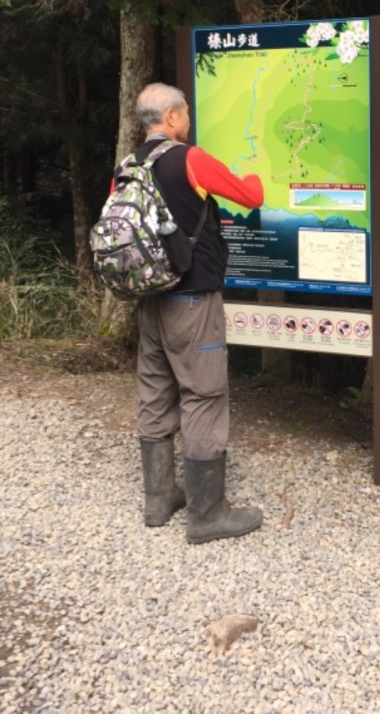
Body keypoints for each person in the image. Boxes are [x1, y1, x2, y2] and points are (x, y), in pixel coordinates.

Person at [131, 82, 265, 544]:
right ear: (169, 118)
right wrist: (257, 174)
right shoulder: (190, 159)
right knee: (204, 394)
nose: (188, 120)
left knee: (155, 392)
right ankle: (207, 513)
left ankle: (158, 500)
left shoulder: (127, 167)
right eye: (184, 113)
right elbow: (251, 197)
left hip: (150, 301)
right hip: (193, 300)